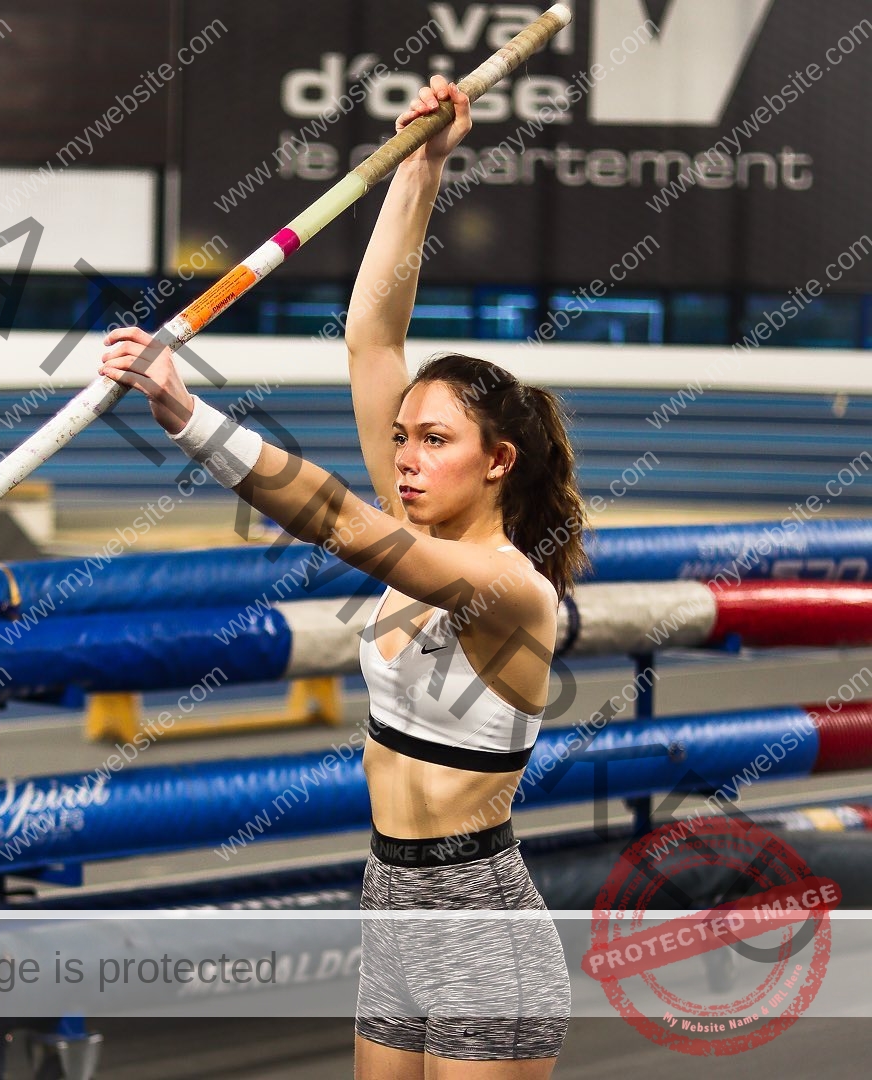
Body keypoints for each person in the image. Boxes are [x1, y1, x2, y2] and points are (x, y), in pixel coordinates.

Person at [99, 75, 586, 1080]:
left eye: (434, 440)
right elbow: (373, 336)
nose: (404, 456)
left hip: (479, 924)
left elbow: (334, 519)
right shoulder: (418, 517)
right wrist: (424, 167)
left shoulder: (510, 590)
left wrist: (190, 417)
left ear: (498, 461)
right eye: (401, 437)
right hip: (391, 901)